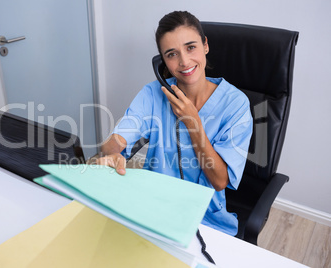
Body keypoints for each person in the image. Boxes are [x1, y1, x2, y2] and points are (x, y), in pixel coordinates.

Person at [96, 11, 253, 236]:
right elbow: (115, 142)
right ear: (163, 60)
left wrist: (193, 121)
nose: (184, 61)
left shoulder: (235, 104)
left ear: (205, 45)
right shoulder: (152, 94)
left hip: (205, 219)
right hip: (152, 207)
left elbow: (219, 180)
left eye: (191, 47)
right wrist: (112, 151)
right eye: (172, 54)